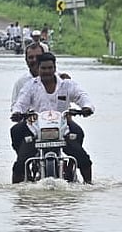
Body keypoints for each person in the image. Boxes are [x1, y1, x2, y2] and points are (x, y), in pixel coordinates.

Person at [11, 52, 94, 184]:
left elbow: (81, 95)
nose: (47, 71)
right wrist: (17, 112)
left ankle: (88, 183)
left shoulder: (67, 85)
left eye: (50, 68)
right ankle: (17, 189)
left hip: (62, 127)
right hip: (36, 128)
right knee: (20, 162)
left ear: (55, 68)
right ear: (39, 69)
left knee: (82, 156)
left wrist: (87, 107)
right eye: (43, 68)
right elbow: (21, 102)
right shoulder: (30, 86)